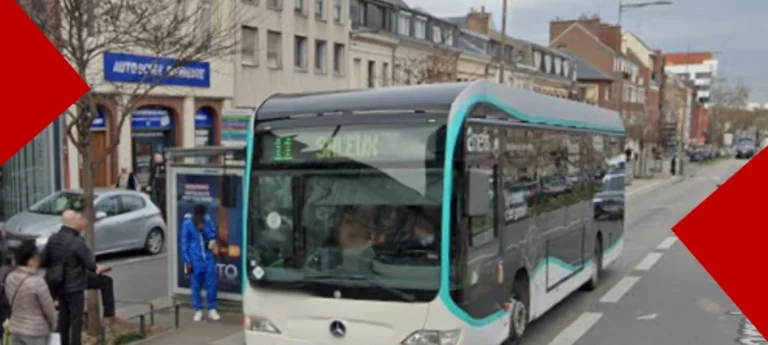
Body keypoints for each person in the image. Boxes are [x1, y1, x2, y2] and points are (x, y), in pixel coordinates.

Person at [40, 210, 108, 345]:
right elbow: (90, 264)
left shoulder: (53, 238)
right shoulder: (76, 241)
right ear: (74, 222)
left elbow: (44, 260)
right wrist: (99, 268)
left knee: (63, 320)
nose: (80, 222)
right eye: (78, 219)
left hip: (58, 286)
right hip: (74, 287)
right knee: (76, 321)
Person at [4, 240, 57, 345]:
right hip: (36, 333)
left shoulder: (10, 278)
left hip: (16, 329)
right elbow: (49, 310)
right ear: (29, 261)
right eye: (36, 257)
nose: (39, 260)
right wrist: (53, 325)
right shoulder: (38, 282)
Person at [180, 205, 220, 322]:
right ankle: (198, 310)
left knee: (211, 284)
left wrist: (204, 230)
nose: (200, 217)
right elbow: (183, 244)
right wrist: (187, 261)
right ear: (194, 214)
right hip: (194, 260)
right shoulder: (187, 224)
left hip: (208, 259)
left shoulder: (207, 222)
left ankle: (212, 309)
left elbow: (213, 238)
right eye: (198, 215)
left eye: (201, 215)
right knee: (195, 286)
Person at [146, 153, 166, 219]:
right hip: (157, 188)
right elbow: (151, 177)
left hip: (164, 189)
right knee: (158, 203)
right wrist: (149, 186)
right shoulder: (154, 166)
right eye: (155, 159)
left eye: (158, 158)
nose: (156, 160)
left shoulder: (165, 165)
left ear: (161, 158)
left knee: (162, 204)